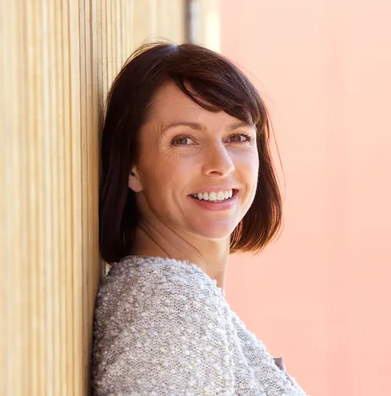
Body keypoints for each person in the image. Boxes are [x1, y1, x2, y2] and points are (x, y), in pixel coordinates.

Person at [92, 41, 307, 395]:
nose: (221, 164)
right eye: (184, 140)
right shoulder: (168, 304)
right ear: (132, 166)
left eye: (237, 136)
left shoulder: (186, 298)